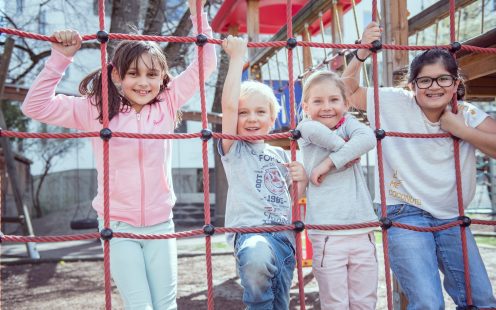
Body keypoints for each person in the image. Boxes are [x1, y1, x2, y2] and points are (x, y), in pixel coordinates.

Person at [21, 1, 216, 308]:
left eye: (152, 75)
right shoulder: (96, 109)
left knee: (166, 305)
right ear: (117, 76)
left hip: (161, 223)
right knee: (140, 306)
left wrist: (197, 12)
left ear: (163, 78)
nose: (143, 82)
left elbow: (206, 64)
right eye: (134, 74)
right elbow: (35, 107)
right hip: (118, 225)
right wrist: (60, 59)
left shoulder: (167, 103)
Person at [342, 22, 496, 310]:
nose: (434, 87)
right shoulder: (394, 102)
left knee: (483, 300)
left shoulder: (466, 113)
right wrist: (362, 52)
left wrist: (462, 131)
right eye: (424, 81)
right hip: (405, 210)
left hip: (452, 215)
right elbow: (347, 92)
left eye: (443, 80)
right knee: (427, 302)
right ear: (412, 86)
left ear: (456, 84)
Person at [218, 35, 308, 310]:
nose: (252, 118)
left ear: (272, 119)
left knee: (280, 304)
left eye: (260, 112)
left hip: (283, 240)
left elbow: (294, 198)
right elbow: (229, 106)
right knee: (256, 262)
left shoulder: (280, 154)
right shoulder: (235, 150)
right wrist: (236, 59)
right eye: (244, 113)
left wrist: (300, 179)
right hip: (251, 234)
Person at [296, 70, 378, 309]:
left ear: (346, 104)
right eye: (317, 101)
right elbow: (325, 136)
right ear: (306, 106)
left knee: (365, 300)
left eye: (334, 100)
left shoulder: (350, 124)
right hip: (327, 231)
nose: (327, 107)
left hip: (362, 229)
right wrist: (347, 150)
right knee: (335, 302)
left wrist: (330, 162)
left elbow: (368, 138)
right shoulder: (305, 127)